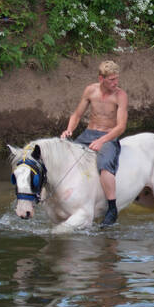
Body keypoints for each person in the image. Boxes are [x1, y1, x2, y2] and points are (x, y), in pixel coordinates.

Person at [60, 61, 128, 227]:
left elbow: (121, 127)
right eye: (111, 80)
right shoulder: (91, 90)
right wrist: (69, 130)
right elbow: (76, 115)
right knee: (65, 157)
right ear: (101, 78)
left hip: (109, 136)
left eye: (116, 79)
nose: (115, 83)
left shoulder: (120, 95)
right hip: (88, 134)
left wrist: (102, 140)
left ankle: (112, 208)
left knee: (104, 166)